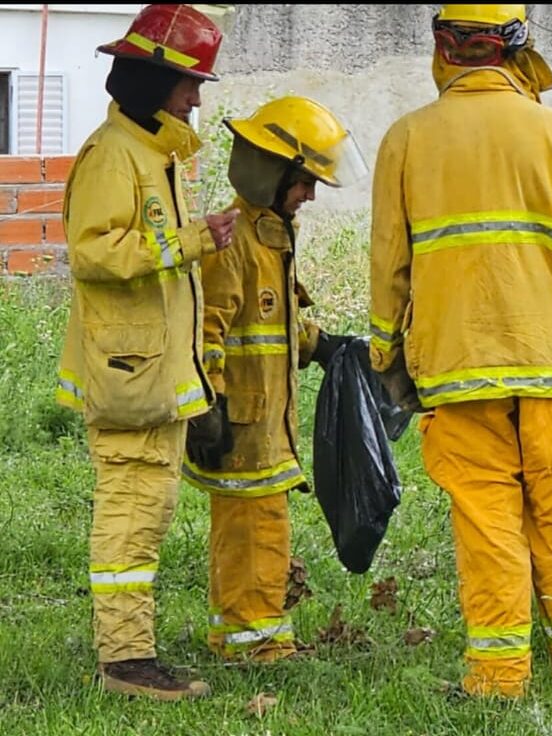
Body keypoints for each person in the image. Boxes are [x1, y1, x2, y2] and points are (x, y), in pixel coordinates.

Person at [369, 4, 552, 699]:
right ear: (515, 48)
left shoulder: (407, 139)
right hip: (548, 370)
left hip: (455, 372)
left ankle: (498, 677)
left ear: (442, 47)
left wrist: (387, 359)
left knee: (487, 525)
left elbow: (390, 265)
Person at [54, 4, 235, 700]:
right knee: (130, 516)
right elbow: (93, 254)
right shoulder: (113, 156)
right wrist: (193, 242)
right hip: (128, 378)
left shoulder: (152, 153)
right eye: (190, 85)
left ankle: (132, 651)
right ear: (151, 81)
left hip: (151, 376)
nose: (195, 98)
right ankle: (126, 664)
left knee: (147, 514)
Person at [182, 96, 368, 663]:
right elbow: (207, 331)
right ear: (272, 175)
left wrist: (322, 346)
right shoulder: (233, 244)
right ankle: (252, 642)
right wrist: (205, 408)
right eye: (304, 183)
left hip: (265, 427)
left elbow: (271, 321)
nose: (309, 195)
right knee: (251, 533)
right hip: (238, 429)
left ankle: (249, 630)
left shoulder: (270, 239)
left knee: (263, 527)